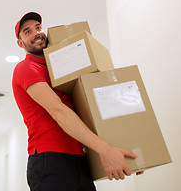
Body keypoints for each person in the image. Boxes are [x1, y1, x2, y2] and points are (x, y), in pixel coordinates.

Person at [12, 12, 138, 191]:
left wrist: (121, 153)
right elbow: (58, 110)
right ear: (20, 43)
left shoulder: (60, 70)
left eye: (38, 28)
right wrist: (104, 150)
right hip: (50, 160)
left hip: (78, 158)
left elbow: (89, 111)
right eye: (27, 32)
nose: (36, 33)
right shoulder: (26, 68)